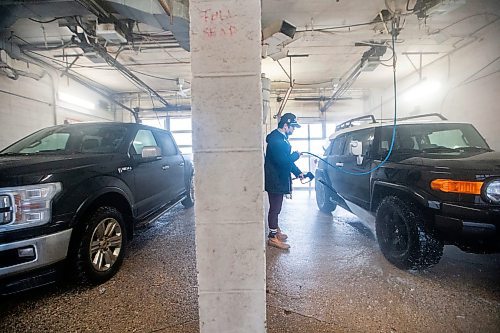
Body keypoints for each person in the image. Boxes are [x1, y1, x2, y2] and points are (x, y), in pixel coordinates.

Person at [264, 113, 304, 250]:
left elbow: (287, 161)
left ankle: (276, 229)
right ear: (285, 125)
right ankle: (272, 237)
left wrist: (298, 172)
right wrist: (296, 156)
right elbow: (283, 161)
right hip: (275, 179)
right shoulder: (276, 140)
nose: (294, 130)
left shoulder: (282, 138)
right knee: (275, 208)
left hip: (279, 178)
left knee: (277, 207)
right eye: (293, 127)